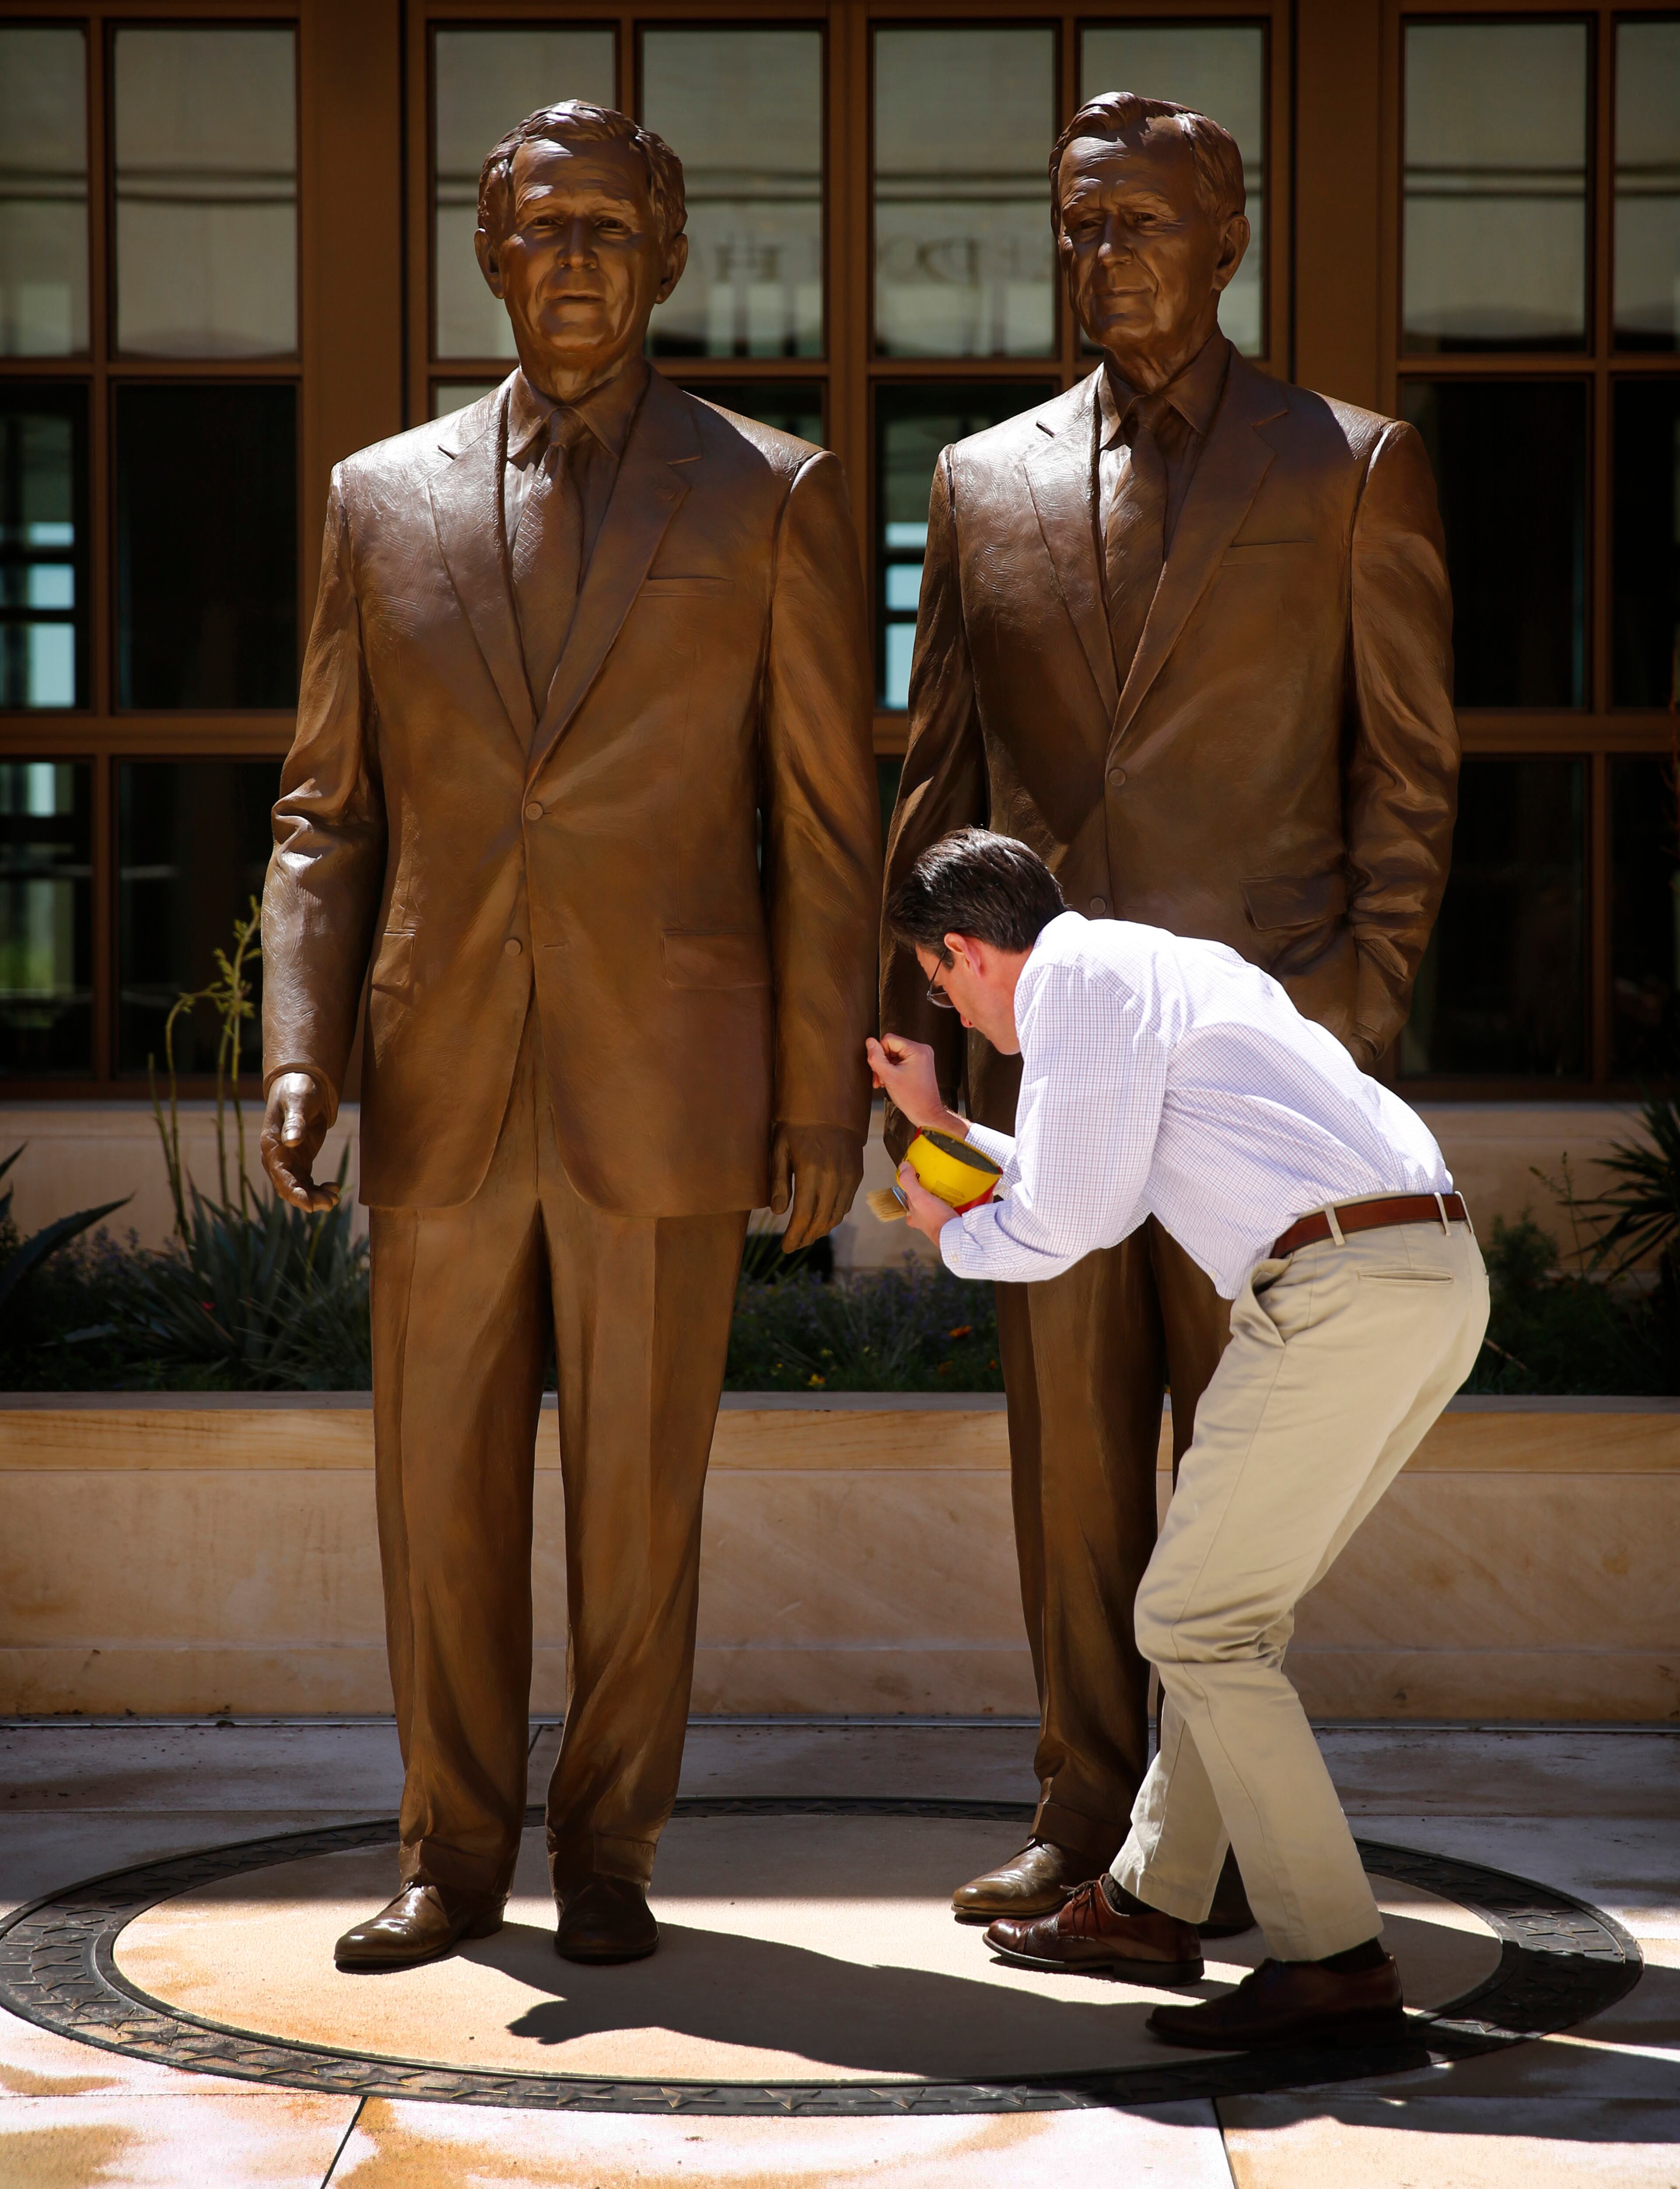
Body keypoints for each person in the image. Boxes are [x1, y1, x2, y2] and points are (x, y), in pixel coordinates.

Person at [261, 101, 878, 1972]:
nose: (580, 260)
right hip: (443, 1074)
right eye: (545, 230)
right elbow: (325, 812)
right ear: (491, 257)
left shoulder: (772, 491)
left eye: (614, 227)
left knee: (640, 1501)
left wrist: (817, 1097)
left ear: (669, 258)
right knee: (435, 1497)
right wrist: (306, 1045)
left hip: (668, 1084)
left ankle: (608, 1844)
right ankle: (447, 1854)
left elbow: (827, 830)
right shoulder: (381, 498)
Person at [878, 91, 1457, 1929]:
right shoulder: (982, 480)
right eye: (1075, 228)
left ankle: (1187, 1859)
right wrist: (918, 1041)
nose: (1101, 257)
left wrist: (1346, 1019)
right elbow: (938, 769)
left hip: (1252, 1097)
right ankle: (1082, 1818)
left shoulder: (1348, 468)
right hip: (1051, 1066)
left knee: (1231, 1491)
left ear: (1229, 236)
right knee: (1069, 1464)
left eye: (1137, 223)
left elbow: (1410, 781)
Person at [868, 829, 1488, 2049]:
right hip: (1421, 1270)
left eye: (936, 980)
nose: (944, 999)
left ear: (962, 952)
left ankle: (1336, 1961)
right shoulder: (1149, 967)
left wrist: (951, 1235)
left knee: (1194, 1625)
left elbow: (1070, 1218)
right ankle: (1149, 1903)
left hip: (1338, 1286)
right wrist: (943, 1118)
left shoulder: (1074, 991)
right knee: (1231, 1617)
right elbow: (1096, 1166)